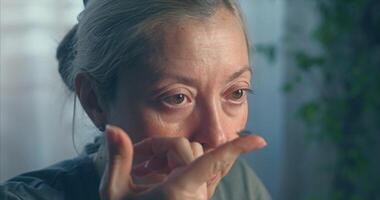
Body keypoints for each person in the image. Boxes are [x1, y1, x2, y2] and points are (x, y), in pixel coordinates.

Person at [0, 0, 272, 199]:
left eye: (236, 93)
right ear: (95, 100)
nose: (218, 137)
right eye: (177, 98)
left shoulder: (237, 184)